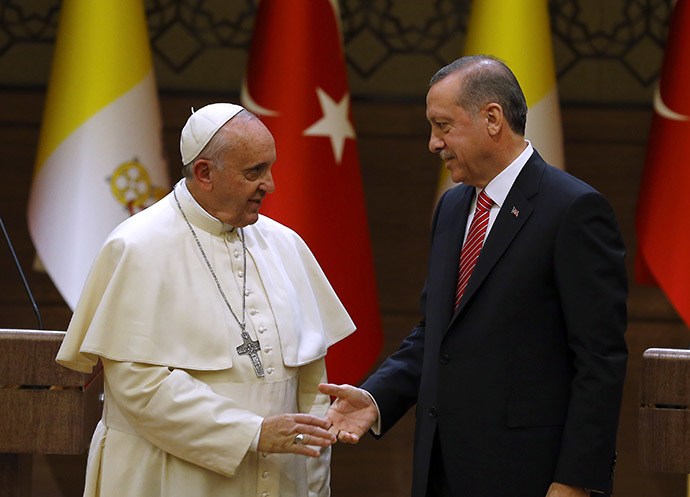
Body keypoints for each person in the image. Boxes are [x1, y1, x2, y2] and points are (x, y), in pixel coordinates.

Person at [319, 55, 628, 497]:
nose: (432, 143)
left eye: (443, 125)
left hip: (530, 477)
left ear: (492, 118)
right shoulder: (451, 208)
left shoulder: (573, 211)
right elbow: (436, 334)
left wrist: (576, 480)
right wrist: (375, 398)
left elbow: (600, 362)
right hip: (440, 470)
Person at [57, 103, 356, 497]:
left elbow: (311, 382)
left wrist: (313, 484)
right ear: (204, 173)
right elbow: (139, 385)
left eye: (269, 168)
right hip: (169, 477)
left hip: (279, 479)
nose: (270, 184)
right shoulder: (137, 247)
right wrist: (252, 433)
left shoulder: (285, 245)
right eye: (254, 172)